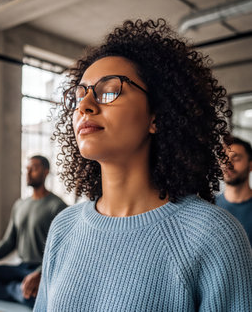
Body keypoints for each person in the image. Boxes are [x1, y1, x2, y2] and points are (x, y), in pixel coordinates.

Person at [34, 19, 252, 312]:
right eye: (79, 94)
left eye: (109, 90)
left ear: (157, 116)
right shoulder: (64, 227)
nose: (85, 105)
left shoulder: (212, 236)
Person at [0, 155, 67, 307]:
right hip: (20, 267)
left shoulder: (58, 206)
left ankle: (23, 290)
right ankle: (16, 290)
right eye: (26, 169)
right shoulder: (20, 205)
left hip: (41, 271)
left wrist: (40, 272)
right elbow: (8, 242)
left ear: (46, 172)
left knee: (38, 299)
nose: (28, 173)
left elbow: (63, 250)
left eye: (34, 169)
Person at [216, 136, 252, 245]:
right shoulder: (209, 205)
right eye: (224, 159)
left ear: (250, 165)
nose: (228, 164)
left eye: (236, 158)